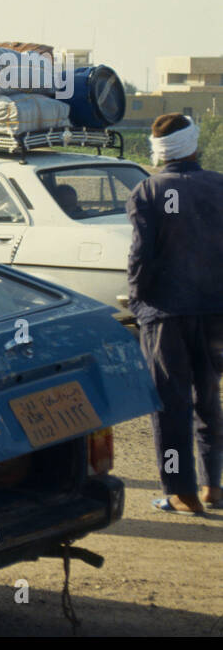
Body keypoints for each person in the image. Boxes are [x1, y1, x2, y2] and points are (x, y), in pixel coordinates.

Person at [125, 112, 223, 514]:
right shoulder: (219, 185)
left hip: (165, 314)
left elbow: (140, 257)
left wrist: (136, 301)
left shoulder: (148, 191)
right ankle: (212, 487)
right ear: (194, 145)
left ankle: (180, 493)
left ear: (158, 152)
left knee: (170, 404)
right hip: (215, 313)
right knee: (209, 399)